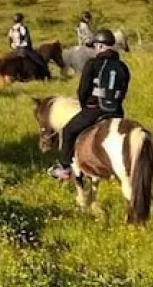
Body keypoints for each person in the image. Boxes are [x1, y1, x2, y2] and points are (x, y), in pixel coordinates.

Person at [48, 28, 129, 180]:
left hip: (95, 110)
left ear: (100, 46)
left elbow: (83, 90)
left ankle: (65, 167)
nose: (94, 50)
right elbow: (123, 91)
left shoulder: (92, 64)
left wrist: (86, 106)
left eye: (95, 46)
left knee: (68, 130)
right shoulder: (123, 67)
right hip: (117, 111)